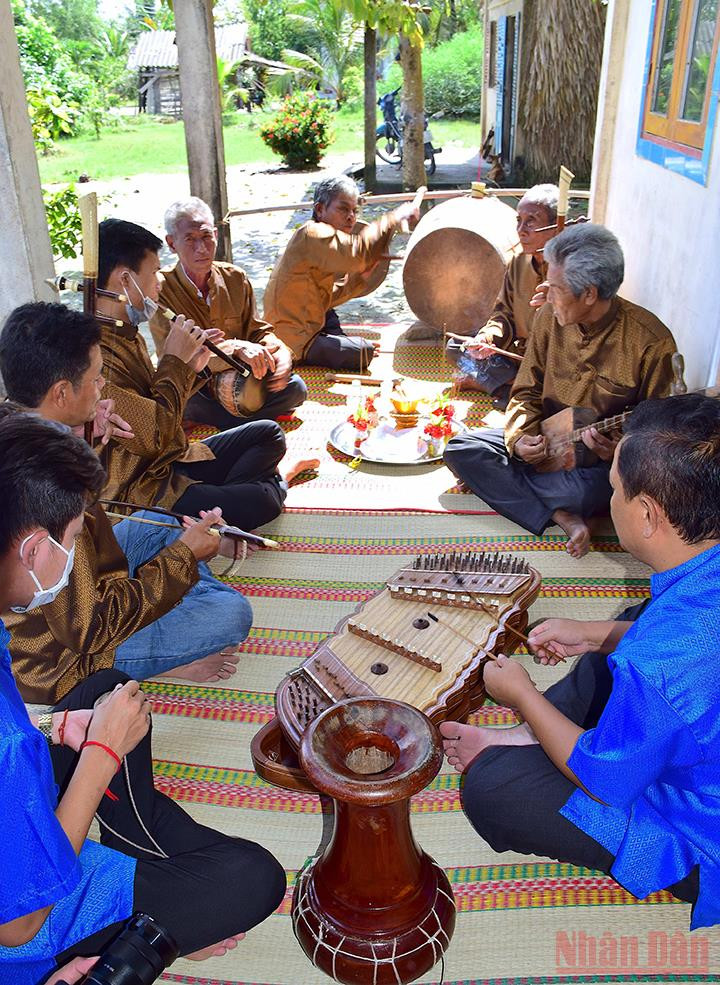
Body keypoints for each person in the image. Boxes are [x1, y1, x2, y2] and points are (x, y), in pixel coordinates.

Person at [0, 414, 286, 984]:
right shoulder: (10, 744)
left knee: (107, 690)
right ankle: (151, 920)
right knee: (255, 877)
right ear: (34, 549)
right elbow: (17, 924)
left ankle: (149, 864)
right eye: (75, 539)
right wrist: (101, 754)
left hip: (25, 826)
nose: (79, 548)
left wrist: (55, 727)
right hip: (28, 920)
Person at [440, 393, 720, 929]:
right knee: (622, 644)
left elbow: (607, 781)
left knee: (494, 789)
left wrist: (521, 694)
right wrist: (595, 633)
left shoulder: (658, 658)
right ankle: (532, 735)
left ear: (646, 516)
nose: (608, 497)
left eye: (614, 488)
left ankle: (527, 736)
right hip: (691, 719)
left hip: (704, 833)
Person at [0, 303, 253, 702]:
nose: (103, 386)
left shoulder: (13, 423)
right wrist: (183, 560)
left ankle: (166, 598)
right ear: (62, 392)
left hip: (86, 584)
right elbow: (88, 628)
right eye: (96, 378)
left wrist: (86, 437)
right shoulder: (47, 486)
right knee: (232, 613)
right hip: (60, 659)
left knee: (166, 524)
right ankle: (161, 657)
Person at [444, 224, 677, 558]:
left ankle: (538, 500)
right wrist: (520, 437)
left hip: (594, 467)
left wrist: (618, 449)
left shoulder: (651, 342)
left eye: (555, 287)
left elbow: (660, 438)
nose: (546, 295)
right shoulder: (549, 317)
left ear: (590, 294)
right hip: (545, 439)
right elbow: (525, 391)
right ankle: (559, 515)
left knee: (585, 493)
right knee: (461, 448)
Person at [94, 218, 314, 531]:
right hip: (146, 490)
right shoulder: (95, 358)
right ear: (126, 280)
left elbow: (159, 408)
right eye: (154, 272)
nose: (158, 283)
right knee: (262, 501)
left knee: (268, 433)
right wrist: (175, 361)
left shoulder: (125, 332)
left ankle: (228, 502)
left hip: (174, 460)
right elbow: (157, 436)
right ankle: (270, 486)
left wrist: (194, 366)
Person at [150, 196, 307, 431]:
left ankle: (238, 422)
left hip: (242, 378)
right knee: (183, 403)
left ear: (215, 234)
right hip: (194, 387)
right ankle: (246, 422)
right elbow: (173, 360)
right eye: (190, 240)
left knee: (296, 388)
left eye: (206, 237)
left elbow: (258, 331)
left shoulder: (235, 278)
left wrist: (282, 353)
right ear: (172, 244)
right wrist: (235, 348)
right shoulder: (160, 288)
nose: (201, 249)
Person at [263, 175, 420, 370]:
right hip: (290, 338)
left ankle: (335, 345)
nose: (351, 217)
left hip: (312, 324)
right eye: (343, 209)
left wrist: (359, 279)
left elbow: (327, 300)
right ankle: (317, 351)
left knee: (346, 334)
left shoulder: (320, 239)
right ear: (320, 209)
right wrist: (395, 217)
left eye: (355, 210)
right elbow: (358, 252)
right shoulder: (312, 234)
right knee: (362, 353)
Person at [445, 183, 558, 409]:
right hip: (518, 357)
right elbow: (503, 314)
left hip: (551, 364)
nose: (521, 230)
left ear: (556, 227)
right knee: (457, 346)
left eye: (531, 221)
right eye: (519, 221)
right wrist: (487, 339)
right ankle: (514, 385)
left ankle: (497, 384)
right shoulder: (517, 264)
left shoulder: (567, 268)